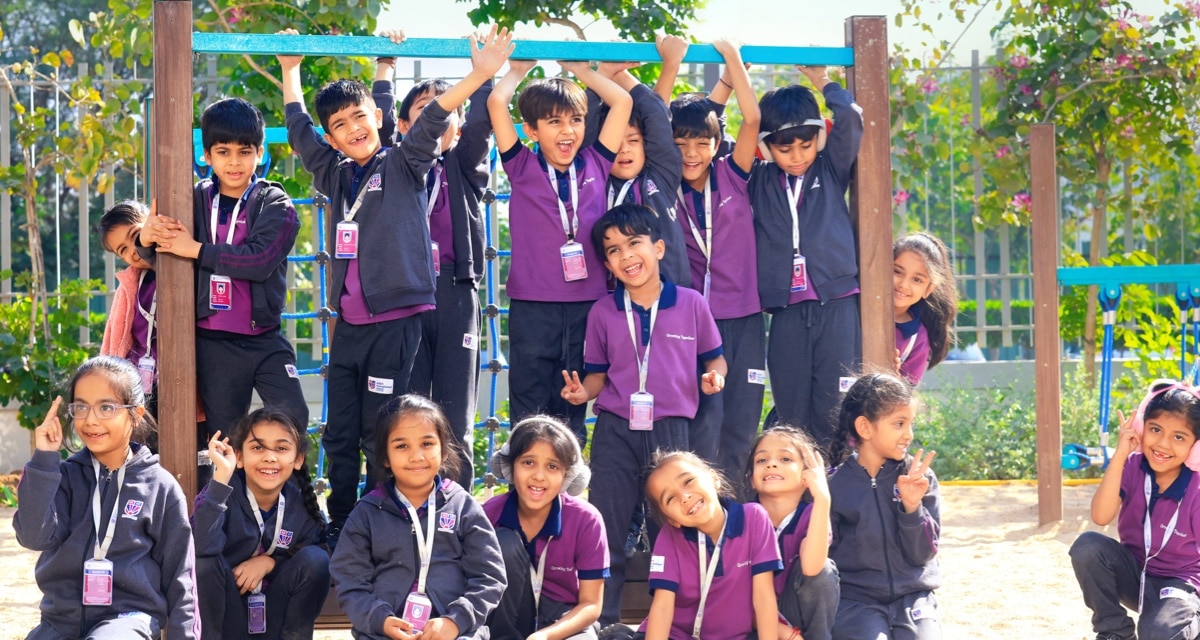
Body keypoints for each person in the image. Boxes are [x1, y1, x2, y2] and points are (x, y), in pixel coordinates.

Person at [280, 26, 513, 537]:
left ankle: (380, 521)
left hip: (397, 324)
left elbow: (432, 119)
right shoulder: (336, 174)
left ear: (380, 120)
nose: (352, 128)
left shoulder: (405, 163)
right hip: (350, 328)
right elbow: (299, 130)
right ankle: (338, 521)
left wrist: (480, 74)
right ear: (333, 137)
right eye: (339, 125)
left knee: (377, 429)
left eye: (360, 116)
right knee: (339, 430)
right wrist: (289, 70)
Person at [560, 203, 727, 624]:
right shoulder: (603, 311)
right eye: (613, 250)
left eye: (634, 243)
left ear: (658, 247)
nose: (626, 256)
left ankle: (677, 622)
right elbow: (598, 376)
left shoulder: (691, 304)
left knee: (671, 528)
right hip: (616, 429)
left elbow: (716, 359)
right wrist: (583, 393)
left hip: (672, 432)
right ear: (607, 264)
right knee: (609, 526)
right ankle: (605, 621)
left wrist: (714, 377)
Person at [139, 97, 309, 473]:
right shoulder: (191, 198)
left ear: (260, 153)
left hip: (264, 339)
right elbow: (157, 255)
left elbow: (260, 260)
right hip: (212, 345)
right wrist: (146, 236)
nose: (234, 162)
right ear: (207, 155)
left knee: (294, 418)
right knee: (223, 439)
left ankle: (296, 513)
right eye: (223, 151)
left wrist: (196, 249)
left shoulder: (276, 203)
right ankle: (228, 519)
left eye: (244, 151)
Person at [487, 55, 633, 445]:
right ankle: (525, 488)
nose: (567, 131)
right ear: (532, 131)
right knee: (530, 408)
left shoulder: (597, 162)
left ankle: (567, 495)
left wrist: (583, 71)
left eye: (575, 120)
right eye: (554, 122)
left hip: (589, 305)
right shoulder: (520, 166)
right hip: (534, 308)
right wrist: (517, 71)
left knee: (573, 403)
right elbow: (497, 103)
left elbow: (622, 103)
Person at [373, 37, 493, 490]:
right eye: (425, 108)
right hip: (404, 294)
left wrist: (483, 74)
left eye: (447, 109)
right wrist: (385, 65)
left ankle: (455, 508)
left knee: (454, 408)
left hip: (453, 292)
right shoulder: (394, 164)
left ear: (458, 125)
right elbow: (381, 124)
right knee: (402, 403)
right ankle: (395, 502)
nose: (436, 116)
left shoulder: (464, 165)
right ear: (405, 124)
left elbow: (482, 122)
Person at [13, 355, 198, 639]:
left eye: (106, 407)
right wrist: (44, 460)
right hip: (60, 622)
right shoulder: (62, 477)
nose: (91, 420)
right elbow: (33, 537)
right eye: (81, 407)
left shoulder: (161, 487)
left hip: (128, 620)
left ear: (135, 414)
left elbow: (180, 578)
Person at [750, 66, 864, 450]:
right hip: (785, 311)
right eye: (784, 148)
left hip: (838, 305)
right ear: (766, 147)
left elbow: (849, 117)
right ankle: (798, 499)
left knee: (837, 406)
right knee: (790, 407)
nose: (797, 156)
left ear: (818, 137)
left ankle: (834, 489)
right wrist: (734, 78)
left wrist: (823, 81)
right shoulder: (759, 180)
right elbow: (732, 135)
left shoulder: (830, 169)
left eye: (805, 144)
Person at [330, 395, 506, 640]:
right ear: (384, 457)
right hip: (384, 633)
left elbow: (490, 576)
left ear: (443, 450)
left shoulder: (463, 505)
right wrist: (380, 619)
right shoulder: (367, 512)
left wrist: (455, 621)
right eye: (402, 446)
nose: (416, 456)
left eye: (427, 443)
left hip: (456, 632)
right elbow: (349, 579)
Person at [672, 39, 764, 495]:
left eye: (701, 143)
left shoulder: (733, 173)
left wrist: (731, 64)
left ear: (716, 144)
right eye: (681, 143)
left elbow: (752, 120)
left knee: (742, 421)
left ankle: (739, 516)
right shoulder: (665, 185)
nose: (691, 153)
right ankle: (696, 512)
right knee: (702, 423)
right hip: (693, 322)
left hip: (743, 315)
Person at [1070, 380, 1200, 640]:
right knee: (1087, 546)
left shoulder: (1196, 488)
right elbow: (1100, 516)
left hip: (1180, 586)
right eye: (1155, 429)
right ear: (1142, 429)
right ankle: (1114, 632)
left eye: (1178, 437)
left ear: (1196, 447)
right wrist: (1120, 454)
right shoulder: (1131, 466)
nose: (1163, 444)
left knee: (1158, 633)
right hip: (1136, 576)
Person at [191, 408, 330, 640]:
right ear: (240, 456)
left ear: (298, 459)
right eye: (257, 448)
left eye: (282, 448)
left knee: (316, 559)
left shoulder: (301, 504)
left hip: (275, 618)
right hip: (228, 618)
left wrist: (270, 562)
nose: (269, 457)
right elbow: (199, 548)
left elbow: (318, 560)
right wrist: (221, 480)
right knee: (203, 562)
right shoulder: (221, 493)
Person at [825, 372, 940, 639]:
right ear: (865, 427)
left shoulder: (920, 478)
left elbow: (923, 556)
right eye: (899, 424)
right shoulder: (835, 486)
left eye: (911, 424)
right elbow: (824, 558)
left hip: (914, 597)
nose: (909, 435)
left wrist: (912, 509)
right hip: (856, 602)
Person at [580, 36, 693, 289]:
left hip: (669, 294)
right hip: (612, 297)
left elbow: (656, 116)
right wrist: (603, 76)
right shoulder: (594, 178)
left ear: (646, 144)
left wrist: (621, 77)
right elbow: (587, 129)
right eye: (614, 143)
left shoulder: (661, 176)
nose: (623, 150)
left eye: (632, 140)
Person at [632, 451, 781, 640]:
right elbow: (662, 608)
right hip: (677, 635)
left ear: (713, 479)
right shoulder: (670, 536)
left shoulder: (754, 518)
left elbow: (763, 597)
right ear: (672, 520)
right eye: (670, 498)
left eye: (688, 481)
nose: (684, 496)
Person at [483, 416, 608, 639]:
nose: (539, 476)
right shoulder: (489, 514)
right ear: (510, 467)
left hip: (565, 624)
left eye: (552, 466)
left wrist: (546, 636)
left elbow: (590, 604)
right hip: (504, 623)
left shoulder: (587, 520)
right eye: (528, 462)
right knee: (503, 542)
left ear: (568, 476)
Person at [749, 427, 839, 640]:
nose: (771, 464)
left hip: (798, 611)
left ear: (807, 476)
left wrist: (823, 498)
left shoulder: (812, 514)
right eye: (761, 460)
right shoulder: (743, 518)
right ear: (752, 479)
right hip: (752, 620)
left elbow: (812, 567)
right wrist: (783, 633)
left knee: (824, 570)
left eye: (785, 458)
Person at [892, 232, 957, 386]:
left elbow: (904, 396)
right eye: (897, 271)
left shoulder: (918, 339)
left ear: (929, 289)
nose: (903, 284)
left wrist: (893, 378)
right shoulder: (853, 311)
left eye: (917, 279)